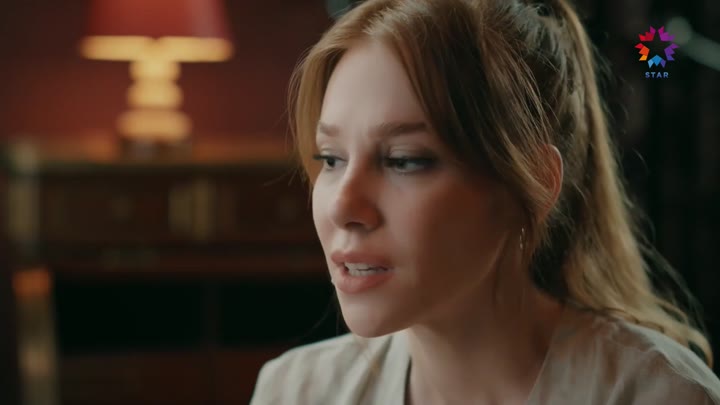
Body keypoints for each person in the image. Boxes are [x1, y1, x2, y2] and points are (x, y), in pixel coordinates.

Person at [250, 0, 720, 403]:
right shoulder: (295, 391)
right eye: (331, 159)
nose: (342, 207)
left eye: (404, 160)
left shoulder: (655, 394)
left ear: (535, 183)